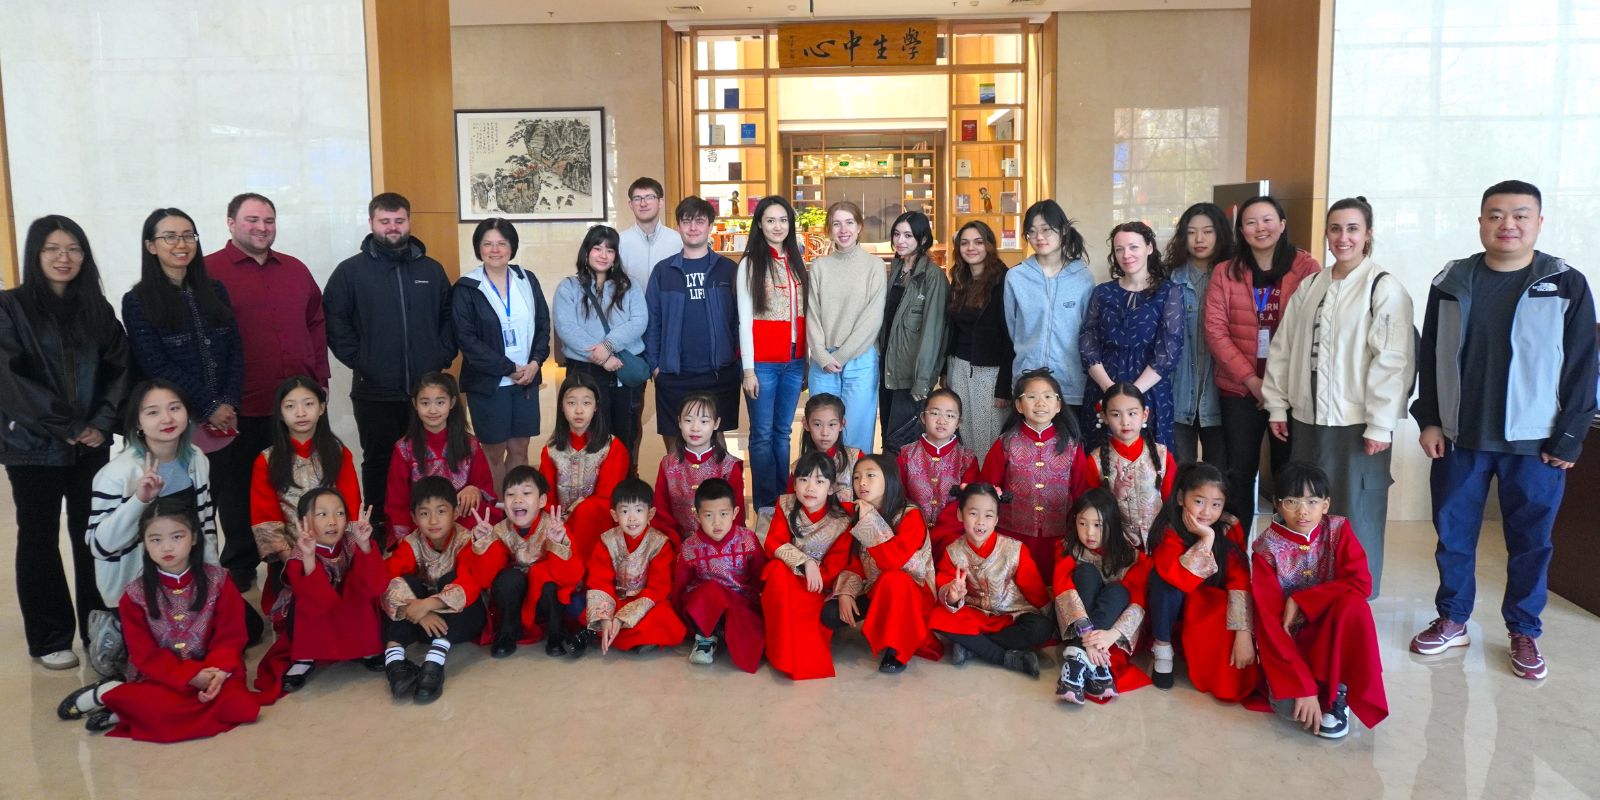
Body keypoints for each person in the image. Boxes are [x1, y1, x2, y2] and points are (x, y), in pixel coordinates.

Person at [1408, 180, 1597, 682]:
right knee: (1453, 536)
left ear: (1538, 222)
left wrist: (1570, 436)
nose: (1507, 224)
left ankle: (1524, 629)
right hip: (1460, 436)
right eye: (1495, 215)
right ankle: (1453, 618)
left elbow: (1583, 365)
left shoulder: (1564, 283)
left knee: (1531, 541)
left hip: (1534, 444)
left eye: (1519, 215)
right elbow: (1430, 354)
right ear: (1480, 222)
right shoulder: (1451, 280)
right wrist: (1428, 417)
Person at [1263, 197, 1415, 593]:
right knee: (1305, 508)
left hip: (1357, 424)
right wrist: (1278, 404)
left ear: (1368, 234)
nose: (1342, 237)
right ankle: (1306, 588)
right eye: (1335, 229)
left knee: (1355, 511)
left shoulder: (1383, 287)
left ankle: (1354, 595)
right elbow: (1284, 348)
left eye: (1352, 229)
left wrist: (1381, 424)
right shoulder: (1311, 285)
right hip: (1307, 420)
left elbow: (1393, 361)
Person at [0, 215, 131, 669]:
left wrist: (101, 422)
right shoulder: (10, 307)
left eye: (73, 248)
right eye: (52, 249)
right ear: (35, 256)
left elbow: (120, 369)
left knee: (91, 535)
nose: (63, 257)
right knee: (38, 537)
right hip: (32, 446)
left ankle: (100, 629)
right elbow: (11, 380)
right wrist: (70, 426)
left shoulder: (97, 309)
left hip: (91, 444)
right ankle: (50, 636)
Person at [206, 193, 329, 591]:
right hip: (234, 406)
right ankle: (241, 561)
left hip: (292, 407)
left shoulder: (294, 269)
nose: (262, 227)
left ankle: (287, 555)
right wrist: (210, 401)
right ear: (230, 222)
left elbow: (316, 324)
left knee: (293, 483)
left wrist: (319, 381)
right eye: (252, 219)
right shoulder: (208, 272)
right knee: (235, 487)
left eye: (269, 220)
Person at [122, 208, 249, 586]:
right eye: (170, 237)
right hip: (175, 425)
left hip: (223, 418)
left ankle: (221, 579)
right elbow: (154, 364)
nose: (181, 244)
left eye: (188, 235)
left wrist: (228, 401)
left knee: (224, 500)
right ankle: (180, 585)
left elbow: (235, 352)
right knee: (181, 509)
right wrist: (208, 406)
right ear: (151, 246)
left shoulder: (215, 290)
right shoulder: (139, 299)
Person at [324, 192, 456, 540]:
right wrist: (363, 361)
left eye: (399, 221)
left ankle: (429, 527)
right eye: (385, 221)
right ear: (372, 224)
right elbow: (335, 323)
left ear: (409, 222)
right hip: (375, 390)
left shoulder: (431, 269)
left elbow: (448, 317)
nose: (393, 228)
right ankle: (381, 527)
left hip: (425, 392)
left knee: (430, 458)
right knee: (380, 460)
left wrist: (440, 357)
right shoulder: (350, 272)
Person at [81, 500, 260, 741]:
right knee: (159, 708)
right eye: (155, 539)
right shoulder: (134, 595)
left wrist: (216, 673)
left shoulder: (219, 581)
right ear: (144, 543)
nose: (167, 547)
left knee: (241, 707)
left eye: (177, 537)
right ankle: (109, 695)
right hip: (162, 677)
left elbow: (230, 636)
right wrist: (188, 676)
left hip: (213, 669)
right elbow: (144, 655)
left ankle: (124, 710)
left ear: (194, 538)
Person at [1203, 195, 1321, 525]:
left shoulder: (1307, 268)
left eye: (1268, 220)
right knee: (1240, 471)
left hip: (1291, 390)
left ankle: (1286, 553)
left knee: (1290, 472)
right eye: (1251, 222)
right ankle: (1237, 556)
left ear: (1282, 225)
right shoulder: (1225, 272)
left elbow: (1314, 328)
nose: (1261, 228)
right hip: (1240, 390)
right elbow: (1215, 331)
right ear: (1241, 230)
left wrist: (1275, 385)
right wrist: (1252, 381)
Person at [1252, 461, 1387, 739]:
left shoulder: (1338, 530)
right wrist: (1302, 686)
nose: (1303, 511)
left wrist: (1302, 600)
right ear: (1277, 505)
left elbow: (1361, 583)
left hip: (1332, 632)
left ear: (1326, 505)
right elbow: (1268, 623)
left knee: (1355, 605)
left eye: (1312, 501)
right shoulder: (1266, 548)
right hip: (1291, 644)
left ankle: (1341, 689)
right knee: (1290, 708)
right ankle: (1314, 685)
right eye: (1291, 501)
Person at [248, 376, 362, 693]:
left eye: (308, 404)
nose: (301, 412)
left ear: (322, 408)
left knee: (359, 585)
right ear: (280, 413)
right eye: (290, 406)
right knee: (307, 592)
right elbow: (265, 519)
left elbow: (350, 507)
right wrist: (296, 560)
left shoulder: (339, 453)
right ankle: (305, 653)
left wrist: (339, 554)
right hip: (294, 557)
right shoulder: (266, 460)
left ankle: (359, 644)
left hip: (339, 551)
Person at [86, 382, 222, 636]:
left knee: (246, 628)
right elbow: (100, 546)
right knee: (169, 651)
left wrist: (215, 579)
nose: (167, 419)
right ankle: (112, 629)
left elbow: (205, 525)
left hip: (187, 579)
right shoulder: (117, 474)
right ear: (137, 422)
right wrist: (139, 500)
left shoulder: (196, 459)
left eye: (175, 408)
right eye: (152, 412)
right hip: (137, 588)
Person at [1144, 463, 1257, 701]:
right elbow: (1179, 579)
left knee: (1223, 627)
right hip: (1175, 599)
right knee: (1161, 582)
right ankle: (1162, 647)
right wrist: (1206, 539)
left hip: (1208, 598)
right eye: (1199, 501)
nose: (1207, 512)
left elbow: (1239, 578)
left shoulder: (1229, 526)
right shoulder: (1169, 528)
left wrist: (1243, 632)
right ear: (1181, 498)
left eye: (1216, 504)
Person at [453, 217, 550, 490]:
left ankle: (517, 509)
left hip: (526, 381)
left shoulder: (526, 279)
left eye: (502, 243)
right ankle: (495, 511)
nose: (495, 250)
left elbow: (543, 324)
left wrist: (535, 363)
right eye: (488, 244)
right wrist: (508, 368)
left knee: (520, 447)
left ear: (512, 247)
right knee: (493, 452)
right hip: (489, 384)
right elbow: (467, 340)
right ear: (478, 248)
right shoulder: (467, 288)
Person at [380, 476, 492, 703]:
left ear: (456, 512)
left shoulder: (465, 539)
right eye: (424, 513)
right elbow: (386, 578)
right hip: (424, 621)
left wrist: (429, 604)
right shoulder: (411, 543)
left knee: (452, 579)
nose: (433, 520)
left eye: (441, 511)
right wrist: (421, 611)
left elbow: (470, 583)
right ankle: (394, 660)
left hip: (462, 621)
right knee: (402, 581)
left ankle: (435, 661)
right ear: (413, 517)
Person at [644, 196, 742, 449]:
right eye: (686, 221)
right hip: (674, 374)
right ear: (678, 226)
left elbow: (739, 321)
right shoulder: (663, 271)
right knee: (675, 449)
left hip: (718, 373)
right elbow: (652, 322)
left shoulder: (727, 270)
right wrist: (655, 366)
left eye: (700, 221)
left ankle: (714, 490)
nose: (693, 227)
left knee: (717, 446)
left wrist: (737, 362)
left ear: (710, 225)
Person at [828, 454, 937, 674]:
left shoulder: (910, 515)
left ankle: (896, 648)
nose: (862, 483)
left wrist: (870, 520)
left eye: (870, 476)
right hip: (876, 588)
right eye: (857, 477)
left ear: (889, 479)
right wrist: (846, 593)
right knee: (829, 613)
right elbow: (856, 563)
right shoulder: (861, 512)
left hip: (911, 591)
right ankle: (882, 628)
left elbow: (892, 561)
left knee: (893, 579)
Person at [927, 483, 1049, 678]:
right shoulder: (953, 552)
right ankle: (1003, 656)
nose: (980, 522)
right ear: (960, 514)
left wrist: (1048, 618)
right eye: (973, 513)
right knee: (936, 616)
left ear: (997, 520)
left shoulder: (1014, 549)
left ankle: (972, 646)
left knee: (1041, 628)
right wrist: (952, 594)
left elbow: (1035, 591)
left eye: (988, 515)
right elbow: (945, 586)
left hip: (1011, 616)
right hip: (974, 615)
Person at [977, 369, 1094, 572]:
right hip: (1012, 536)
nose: (1040, 403)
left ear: (1058, 405)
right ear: (1019, 405)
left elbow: (1081, 491)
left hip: (1059, 536)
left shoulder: (1072, 446)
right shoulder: (1005, 443)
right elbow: (987, 489)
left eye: (1048, 397)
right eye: (1031, 397)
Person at [1080, 221, 1184, 449]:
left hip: (1149, 390)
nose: (1126, 255)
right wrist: (1111, 390)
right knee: (1099, 465)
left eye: (1133, 247)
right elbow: (1088, 343)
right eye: (1119, 249)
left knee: (1150, 466)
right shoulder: (1102, 292)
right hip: (1103, 385)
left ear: (1149, 247)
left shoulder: (1169, 292)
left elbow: (1168, 351)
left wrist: (1131, 396)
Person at [553, 225, 647, 473]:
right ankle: (588, 492)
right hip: (584, 370)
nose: (603, 254)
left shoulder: (629, 286)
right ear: (586, 252)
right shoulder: (568, 287)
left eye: (610, 250)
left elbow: (639, 321)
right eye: (597, 248)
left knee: (625, 432)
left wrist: (609, 345)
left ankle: (623, 492)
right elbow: (566, 328)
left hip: (624, 369)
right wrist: (602, 358)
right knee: (588, 431)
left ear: (616, 256)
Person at [736, 196, 809, 517]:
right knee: (763, 434)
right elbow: (744, 318)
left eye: (783, 220)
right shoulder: (750, 263)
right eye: (770, 220)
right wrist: (748, 370)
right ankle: (766, 502)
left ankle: (784, 497)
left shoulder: (796, 258)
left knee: (783, 432)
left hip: (794, 360)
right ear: (760, 224)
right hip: (763, 362)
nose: (778, 226)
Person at [275, 489, 384, 695]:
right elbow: (316, 600)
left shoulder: (352, 541)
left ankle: (367, 649)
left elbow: (374, 586)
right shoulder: (300, 553)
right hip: (317, 609)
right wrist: (309, 559)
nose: (333, 521)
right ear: (303, 521)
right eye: (322, 514)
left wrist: (364, 545)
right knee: (306, 601)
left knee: (357, 587)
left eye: (340, 513)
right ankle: (305, 658)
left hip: (348, 606)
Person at [760, 451, 856, 680]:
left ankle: (795, 657)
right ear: (795, 482)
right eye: (803, 480)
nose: (810, 488)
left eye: (819, 481)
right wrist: (804, 563)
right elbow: (773, 542)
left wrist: (814, 571)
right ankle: (779, 653)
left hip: (817, 585)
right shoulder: (785, 504)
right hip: (788, 576)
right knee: (776, 571)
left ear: (831, 488)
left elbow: (836, 564)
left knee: (805, 618)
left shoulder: (842, 519)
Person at [1053, 488, 1153, 704]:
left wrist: (1112, 635)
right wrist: (1088, 636)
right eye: (1082, 523)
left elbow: (1137, 601)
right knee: (1086, 574)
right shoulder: (1068, 549)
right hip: (1078, 624)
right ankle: (1091, 660)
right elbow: (1064, 590)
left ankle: (1077, 661)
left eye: (1098, 525)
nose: (1089, 533)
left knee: (1118, 590)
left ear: (1112, 523)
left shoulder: (1133, 557)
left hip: (1114, 630)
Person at [474, 466, 584, 658]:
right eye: (510, 494)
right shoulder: (499, 530)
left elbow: (570, 577)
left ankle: (556, 632)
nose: (517, 500)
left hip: (546, 599)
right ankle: (508, 632)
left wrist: (558, 544)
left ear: (542, 500)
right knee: (509, 578)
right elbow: (486, 579)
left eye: (526, 493)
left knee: (549, 582)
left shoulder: (554, 527)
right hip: (515, 598)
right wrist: (484, 543)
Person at [806, 201, 887, 453]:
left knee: (856, 434)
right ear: (829, 229)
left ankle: (854, 491)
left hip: (860, 361)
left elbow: (872, 320)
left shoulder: (875, 266)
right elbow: (812, 314)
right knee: (822, 433)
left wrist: (840, 357)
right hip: (823, 362)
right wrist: (821, 355)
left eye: (849, 222)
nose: (843, 229)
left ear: (859, 226)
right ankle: (821, 490)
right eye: (836, 224)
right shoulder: (820, 266)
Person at [383, 372, 499, 546]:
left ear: (451, 403)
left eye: (440, 402)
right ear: (415, 404)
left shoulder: (470, 444)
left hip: (460, 517)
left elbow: (485, 486)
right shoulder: (404, 449)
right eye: (425, 403)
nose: (432, 410)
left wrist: (475, 490)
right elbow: (397, 500)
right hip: (423, 521)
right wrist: (404, 538)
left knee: (483, 520)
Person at [578, 478, 687, 655]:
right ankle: (628, 637)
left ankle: (616, 635)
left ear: (650, 514)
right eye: (625, 511)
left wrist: (622, 619)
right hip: (615, 600)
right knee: (583, 610)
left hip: (646, 603)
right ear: (614, 515)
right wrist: (605, 618)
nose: (632, 518)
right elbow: (600, 582)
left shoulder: (659, 543)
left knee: (664, 616)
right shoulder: (607, 541)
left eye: (638, 510)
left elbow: (658, 588)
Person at [1005, 201, 1094, 415]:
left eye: (1046, 229)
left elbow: (1088, 331)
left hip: (1070, 384)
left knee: (1069, 446)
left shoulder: (1082, 277)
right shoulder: (1016, 276)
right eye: (1032, 232)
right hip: (1028, 383)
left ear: (1063, 231)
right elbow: (1012, 328)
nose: (1039, 237)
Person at [673, 478, 766, 671]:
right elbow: (680, 585)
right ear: (697, 516)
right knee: (709, 591)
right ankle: (704, 637)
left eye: (723, 514)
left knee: (756, 643)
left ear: (735, 513)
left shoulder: (747, 540)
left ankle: (725, 631)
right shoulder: (690, 546)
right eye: (708, 515)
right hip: (705, 603)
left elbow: (760, 575)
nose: (717, 522)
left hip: (738, 601)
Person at [1166, 203, 1234, 465]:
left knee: (1222, 476)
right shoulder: (1169, 279)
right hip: (1176, 394)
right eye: (1192, 232)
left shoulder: (1233, 277)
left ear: (1220, 234)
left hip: (1221, 397)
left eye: (1207, 231)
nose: (1199, 239)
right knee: (1177, 474)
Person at [537, 372, 631, 561]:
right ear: (562, 407)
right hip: (559, 523)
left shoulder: (612, 447)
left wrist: (572, 516)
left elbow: (607, 497)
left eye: (586, 403)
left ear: (596, 406)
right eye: (571, 403)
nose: (579, 410)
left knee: (591, 510)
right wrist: (558, 521)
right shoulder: (551, 449)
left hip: (597, 523)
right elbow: (547, 497)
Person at [879, 211, 950, 453]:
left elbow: (933, 333)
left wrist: (923, 382)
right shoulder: (895, 270)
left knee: (903, 446)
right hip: (888, 370)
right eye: (897, 234)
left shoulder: (933, 277)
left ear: (922, 240)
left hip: (911, 376)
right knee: (888, 438)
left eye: (908, 235)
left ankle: (903, 492)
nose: (901, 240)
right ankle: (888, 491)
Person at [945, 221, 1014, 457]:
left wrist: (1004, 388)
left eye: (978, 242)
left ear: (989, 246)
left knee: (989, 440)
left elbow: (1010, 337)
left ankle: (989, 491)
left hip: (990, 373)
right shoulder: (960, 279)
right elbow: (953, 329)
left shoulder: (1004, 281)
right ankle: (970, 490)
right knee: (964, 437)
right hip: (960, 367)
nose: (971, 248)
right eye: (964, 243)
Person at [1081, 383, 1177, 550]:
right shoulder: (1094, 460)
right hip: (1116, 543)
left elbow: (1173, 502)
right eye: (1116, 414)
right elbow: (1091, 512)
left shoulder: (1162, 455)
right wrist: (1115, 494)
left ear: (1144, 414)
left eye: (1132, 413)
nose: (1125, 422)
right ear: (1104, 416)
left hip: (1161, 540)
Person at [652, 391, 746, 547]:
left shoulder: (729, 466)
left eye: (704, 421)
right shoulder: (668, 464)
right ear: (680, 422)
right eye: (688, 420)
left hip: (721, 548)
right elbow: (661, 514)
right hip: (676, 547)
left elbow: (738, 516)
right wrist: (675, 546)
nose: (695, 428)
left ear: (716, 424)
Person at [897, 388, 979, 559]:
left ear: (958, 423)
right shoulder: (906, 455)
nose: (942, 420)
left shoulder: (967, 459)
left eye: (950, 416)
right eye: (935, 413)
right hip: (913, 531)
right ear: (923, 418)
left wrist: (944, 528)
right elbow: (900, 496)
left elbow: (968, 501)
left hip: (953, 533)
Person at [617, 177, 683, 293]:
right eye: (637, 198)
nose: (643, 203)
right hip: (631, 309)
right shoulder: (620, 241)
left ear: (660, 202)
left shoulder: (678, 240)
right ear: (631, 204)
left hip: (668, 309)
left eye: (649, 197)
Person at [794, 392, 861, 502]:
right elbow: (791, 505)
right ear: (806, 424)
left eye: (832, 424)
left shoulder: (856, 458)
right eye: (817, 424)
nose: (825, 433)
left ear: (842, 424)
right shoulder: (797, 467)